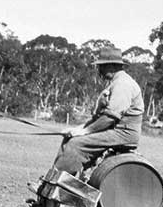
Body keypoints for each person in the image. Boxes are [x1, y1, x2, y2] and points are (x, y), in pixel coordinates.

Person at [52, 47, 144, 175]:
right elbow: (99, 118)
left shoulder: (123, 84)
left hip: (123, 133)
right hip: (113, 129)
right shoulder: (115, 82)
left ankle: (61, 187)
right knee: (68, 140)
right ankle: (55, 179)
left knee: (75, 144)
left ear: (112, 66)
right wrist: (77, 129)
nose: (99, 70)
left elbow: (109, 118)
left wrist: (84, 132)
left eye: (102, 66)